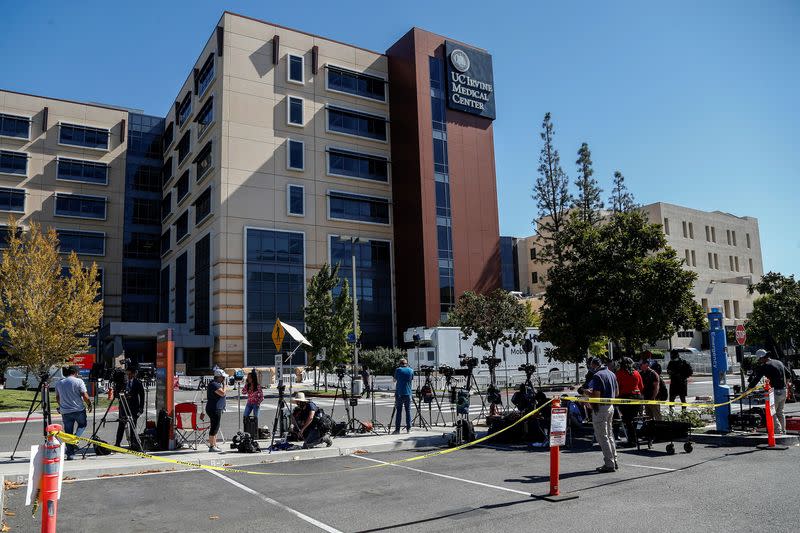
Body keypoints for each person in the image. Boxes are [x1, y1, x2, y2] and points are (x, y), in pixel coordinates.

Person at [584, 357, 619, 473]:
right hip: (611, 406)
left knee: (602, 436)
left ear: (593, 365)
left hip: (600, 408)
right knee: (610, 434)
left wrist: (588, 393)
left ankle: (609, 464)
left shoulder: (597, 376)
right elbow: (617, 392)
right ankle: (614, 459)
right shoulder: (611, 374)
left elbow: (596, 397)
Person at [748, 349, 790, 434]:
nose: (759, 361)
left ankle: (778, 431)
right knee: (780, 412)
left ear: (762, 357)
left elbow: (757, 379)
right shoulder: (778, 362)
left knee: (772, 412)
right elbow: (788, 374)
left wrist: (748, 389)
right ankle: (783, 431)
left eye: (759, 359)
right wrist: (785, 385)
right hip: (783, 390)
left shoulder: (765, 366)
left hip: (775, 392)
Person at [55, 366, 93, 460]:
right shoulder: (78, 381)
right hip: (78, 409)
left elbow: (58, 397)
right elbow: (84, 395)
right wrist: (89, 404)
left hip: (65, 411)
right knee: (82, 425)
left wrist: (61, 406)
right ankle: (75, 440)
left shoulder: (59, 382)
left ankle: (70, 454)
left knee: (68, 432)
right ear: (76, 372)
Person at [615, 357, 643, 447]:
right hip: (637, 397)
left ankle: (632, 441)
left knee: (628, 420)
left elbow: (617, 387)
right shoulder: (636, 373)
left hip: (625, 397)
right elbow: (641, 387)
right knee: (634, 419)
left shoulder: (619, 373)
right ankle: (635, 438)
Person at [114, 366, 144, 449]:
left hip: (134, 407)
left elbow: (142, 396)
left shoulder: (137, 382)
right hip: (123, 406)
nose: (128, 375)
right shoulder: (122, 382)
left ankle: (133, 443)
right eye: (127, 374)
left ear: (134, 374)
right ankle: (117, 443)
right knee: (121, 425)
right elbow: (116, 395)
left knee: (133, 425)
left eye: (130, 374)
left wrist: (141, 408)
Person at [206, 368, 227, 452]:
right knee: (214, 427)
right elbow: (222, 393)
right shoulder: (214, 384)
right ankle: (212, 446)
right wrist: (225, 386)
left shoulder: (216, 384)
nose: (224, 379)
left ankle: (214, 444)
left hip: (216, 408)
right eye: (223, 377)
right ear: (218, 377)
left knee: (216, 426)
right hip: (214, 408)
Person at [393, 359, 414, 434]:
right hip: (408, 393)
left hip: (399, 393)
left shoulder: (398, 370)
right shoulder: (411, 370)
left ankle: (397, 430)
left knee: (399, 411)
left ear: (400, 364)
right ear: (406, 363)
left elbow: (394, 380)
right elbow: (411, 379)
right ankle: (409, 429)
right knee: (408, 411)